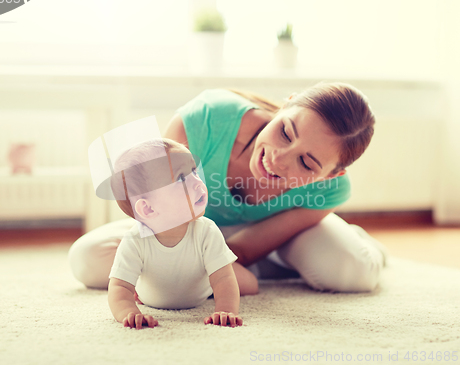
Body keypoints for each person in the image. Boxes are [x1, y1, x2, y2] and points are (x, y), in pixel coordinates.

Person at [69, 82, 387, 297]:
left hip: (276, 237)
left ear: (333, 174)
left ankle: (357, 242)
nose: (278, 157)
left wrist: (202, 271)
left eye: (306, 163)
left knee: (353, 272)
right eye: (286, 132)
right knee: (89, 260)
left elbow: (246, 249)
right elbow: (160, 214)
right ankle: (270, 270)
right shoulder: (204, 120)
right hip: (187, 227)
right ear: (285, 107)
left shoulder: (330, 190)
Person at [106, 138, 253, 329]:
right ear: (148, 209)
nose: (198, 183)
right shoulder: (134, 240)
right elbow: (120, 287)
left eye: (193, 171)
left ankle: (239, 273)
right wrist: (129, 313)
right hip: (149, 299)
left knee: (249, 285)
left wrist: (226, 310)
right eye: (181, 179)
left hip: (201, 293)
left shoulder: (206, 230)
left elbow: (223, 278)